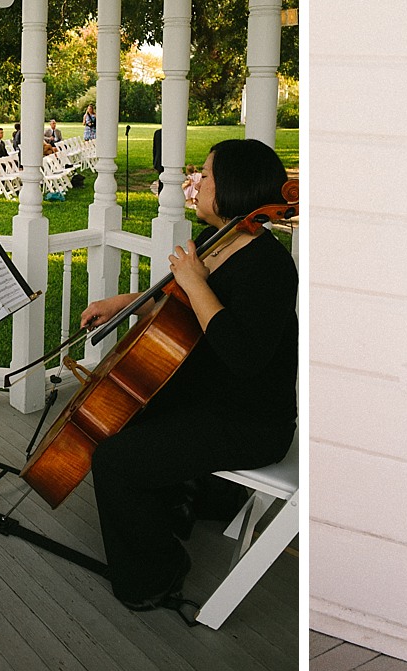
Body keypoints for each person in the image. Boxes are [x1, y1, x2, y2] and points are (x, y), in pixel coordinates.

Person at [78, 138, 297, 611]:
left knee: (117, 461)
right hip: (205, 394)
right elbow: (178, 306)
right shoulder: (212, 242)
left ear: (234, 187)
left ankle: (155, 575)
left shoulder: (270, 267)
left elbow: (242, 356)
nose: (193, 181)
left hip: (251, 420)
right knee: (120, 420)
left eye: (207, 175)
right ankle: (187, 502)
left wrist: (196, 282)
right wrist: (120, 304)